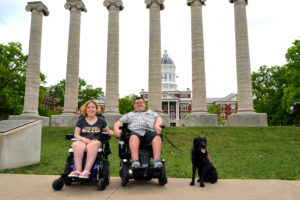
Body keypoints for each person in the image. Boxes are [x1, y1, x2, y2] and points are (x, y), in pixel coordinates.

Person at [68, 100, 114, 179]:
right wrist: (84, 139)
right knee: (76, 145)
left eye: (93, 107)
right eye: (88, 107)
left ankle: (86, 171)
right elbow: (76, 134)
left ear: (96, 109)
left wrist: (117, 133)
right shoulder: (81, 120)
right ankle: (78, 170)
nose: (91, 109)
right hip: (82, 141)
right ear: (85, 109)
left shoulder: (101, 121)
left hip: (95, 141)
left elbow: (108, 131)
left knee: (93, 145)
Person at [114, 97, 164, 168]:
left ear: (144, 104)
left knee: (157, 136)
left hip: (149, 133)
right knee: (133, 136)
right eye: (137, 103)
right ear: (134, 105)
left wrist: (157, 125)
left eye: (141, 102)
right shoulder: (129, 114)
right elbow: (118, 122)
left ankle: (157, 161)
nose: (139, 104)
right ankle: (135, 161)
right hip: (135, 133)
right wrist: (116, 129)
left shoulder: (151, 113)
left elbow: (159, 118)